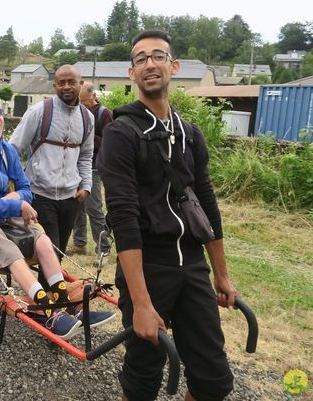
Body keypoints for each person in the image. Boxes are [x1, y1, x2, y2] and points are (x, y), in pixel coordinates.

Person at [97, 30, 236, 401]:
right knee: (142, 380)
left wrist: (221, 275)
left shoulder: (190, 134)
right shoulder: (120, 133)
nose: (149, 64)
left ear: (173, 67)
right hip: (148, 267)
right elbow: (123, 219)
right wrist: (141, 304)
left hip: (192, 266)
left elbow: (207, 207)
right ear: (132, 73)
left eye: (158, 56)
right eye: (140, 59)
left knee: (213, 379)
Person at [0, 98, 113, 340]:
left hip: (6, 210)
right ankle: (48, 313)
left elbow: (26, 187)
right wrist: (15, 202)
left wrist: (16, 199)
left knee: (43, 241)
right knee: (12, 251)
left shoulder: (6, 151)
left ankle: (66, 306)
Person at [9, 65, 93, 264]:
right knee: (51, 255)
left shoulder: (87, 118)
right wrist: (18, 185)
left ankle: (47, 292)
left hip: (71, 198)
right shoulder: (39, 112)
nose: (66, 87)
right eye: (61, 83)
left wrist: (87, 186)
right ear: (54, 86)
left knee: (59, 253)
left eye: (71, 82)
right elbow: (14, 149)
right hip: (40, 196)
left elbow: (86, 155)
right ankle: (49, 294)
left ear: (80, 85)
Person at [70, 83, 113, 255]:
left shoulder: (105, 114)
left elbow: (109, 143)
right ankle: (80, 244)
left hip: (94, 167)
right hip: (74, 166)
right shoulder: (77, 112)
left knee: (93, 208)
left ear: (93, 96)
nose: (81, 105)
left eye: (84, 101)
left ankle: (103, 249)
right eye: (78, 102)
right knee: (76, 207)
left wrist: (87, 137)